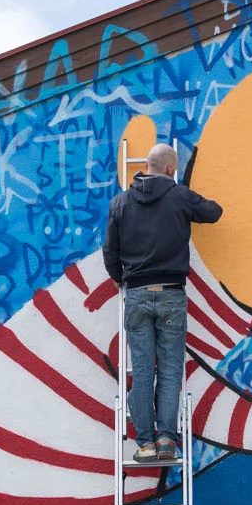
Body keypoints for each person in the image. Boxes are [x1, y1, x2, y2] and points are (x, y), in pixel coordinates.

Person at [102, 142, 222, 463]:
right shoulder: (179, 196)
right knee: (170, 371)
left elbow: (109, 251)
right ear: (171, 168)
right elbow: (214, 212)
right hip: (171, 294)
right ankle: (167, 440)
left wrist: (118, 276)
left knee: (142, 371)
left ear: (147, 166)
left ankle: (145, 444)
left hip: (137, 294)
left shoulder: (120, 202)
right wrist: (183, 196)